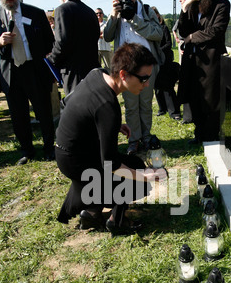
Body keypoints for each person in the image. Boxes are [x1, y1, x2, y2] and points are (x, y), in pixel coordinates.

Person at [55, 43, 167, 236]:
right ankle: (117, 222)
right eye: (143, 78)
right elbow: (111, 164)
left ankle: (92, 211)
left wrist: (112, 126)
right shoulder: (107, 106)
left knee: (129, 166)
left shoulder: (97, 74)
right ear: (123, 74)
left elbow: (75, 104)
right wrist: (143, 176)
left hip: (67, 152)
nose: (147, 84)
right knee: (135, 170)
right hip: (77, 161)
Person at [0, 0, 55, 164]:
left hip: (34, 70)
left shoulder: (35, 13)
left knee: (43, 112)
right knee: (18, 115)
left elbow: (49, 42)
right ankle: (27, 150)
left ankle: (50, 148)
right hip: (11, 72)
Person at [103, 0, 164, 155]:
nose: (125, 2)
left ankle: (146, 138)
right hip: (126, 68)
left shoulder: (145, 10)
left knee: (145, 104)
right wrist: (114, 15)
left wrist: (134, 18)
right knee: (131, 106)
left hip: (146, 66)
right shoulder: (115, 13)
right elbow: (107, 36)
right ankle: (134, 139)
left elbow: (158, 33)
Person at [177, 0, 230, 143]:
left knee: (211, 102)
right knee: (194, 98)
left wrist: (191, 37)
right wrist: (184, 9)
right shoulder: (192, 6)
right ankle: (199, 135)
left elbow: (215, 31)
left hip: (211, 62)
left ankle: (211, 137)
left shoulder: (222, 4)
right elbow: (183, 31)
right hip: (192, 61)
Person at [48, 0, 100, 96]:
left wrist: (51, 60)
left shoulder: (62, 10)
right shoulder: (90, 12)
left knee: (77, 109)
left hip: (73, 72)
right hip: (92, 69)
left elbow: (62, 42)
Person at [152, 6, 181, 120]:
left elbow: (169, 44)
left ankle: (173, 112)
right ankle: (162, 108)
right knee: (157, 87)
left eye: (155, 14)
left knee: (167, 87)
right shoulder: (150, 29)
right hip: (155, 61)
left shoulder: (163, 28)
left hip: (165, 60)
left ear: (158, 15)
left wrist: (158, 51)